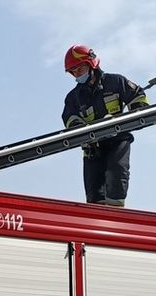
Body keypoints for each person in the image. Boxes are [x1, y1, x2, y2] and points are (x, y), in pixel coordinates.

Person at [61, 45, 148, 208]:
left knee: (117, 175)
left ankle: (116, 213)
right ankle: (97, 221)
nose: (77, 75)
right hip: (93, 147)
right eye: (73, 72)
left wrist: (137, 111)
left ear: (91, 64)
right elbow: (69, 118)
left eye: (79, 70)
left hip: (118, 140)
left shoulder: (115, 82)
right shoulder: (74, 98)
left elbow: (138, 96)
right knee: (94, 193)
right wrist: (81, 130)